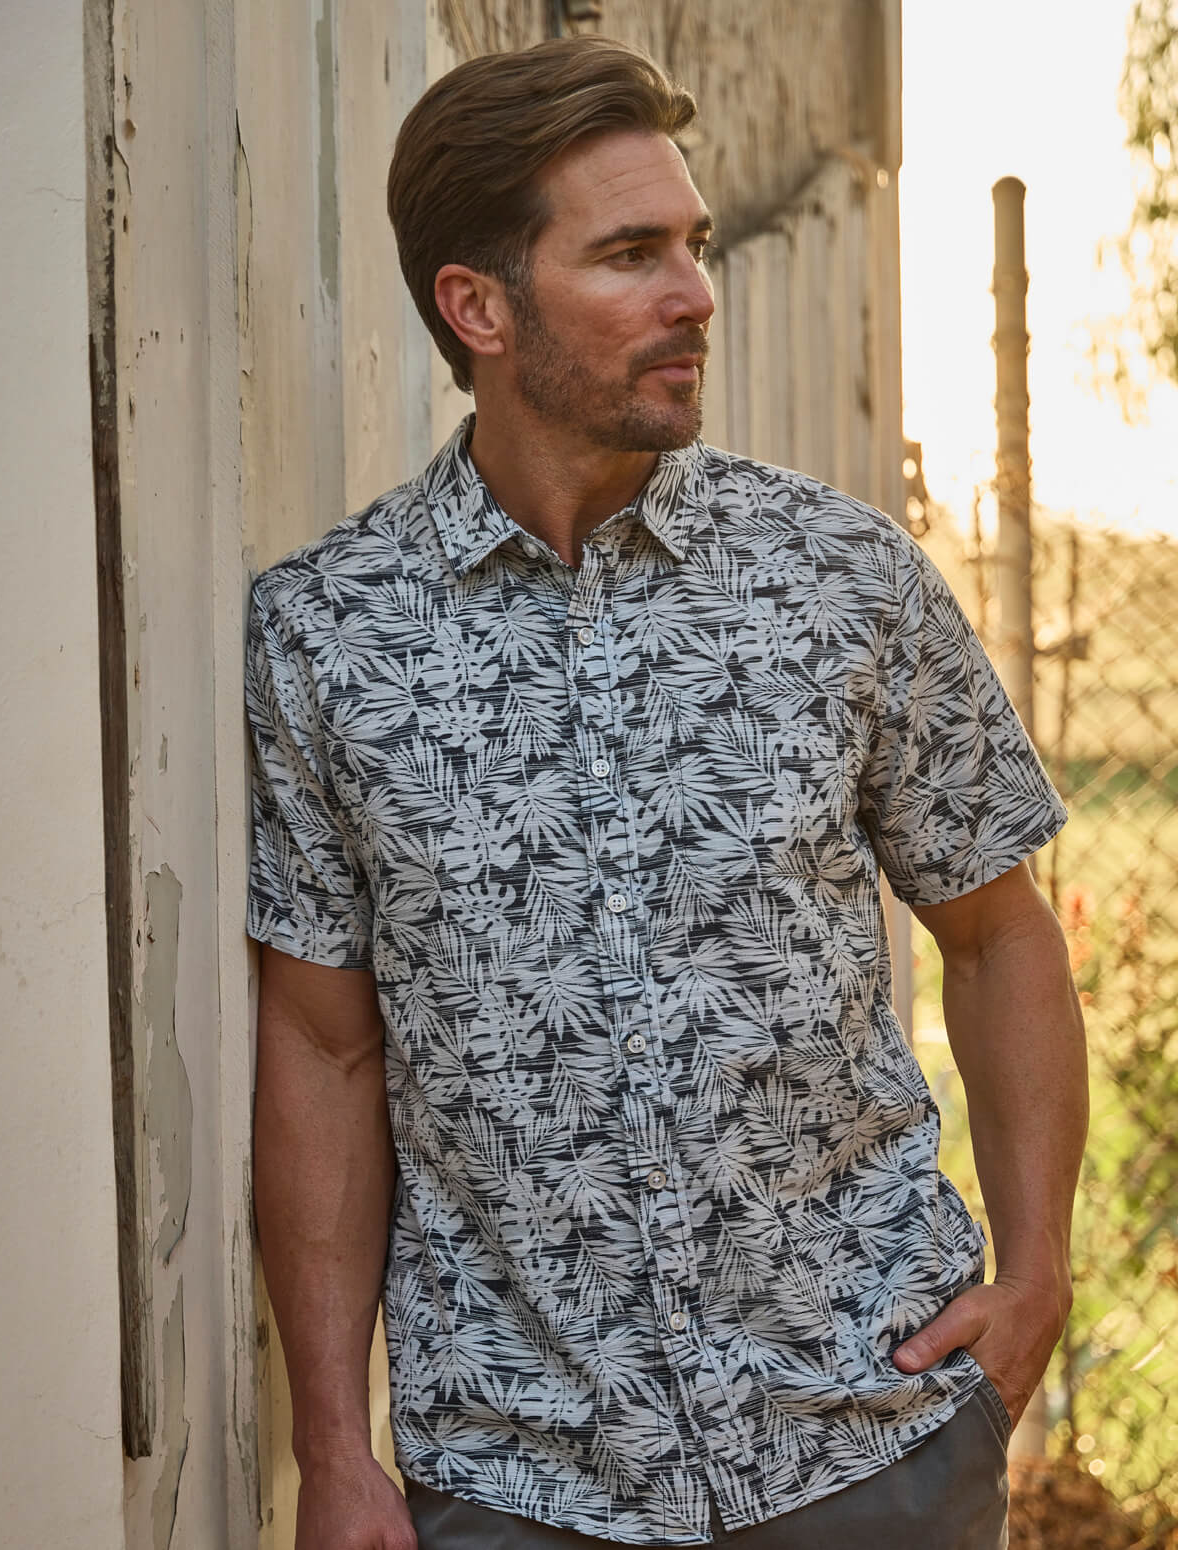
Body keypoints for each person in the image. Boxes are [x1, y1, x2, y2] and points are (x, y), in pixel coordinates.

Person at [246, 35, 1087, 1550]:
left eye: (691, 244)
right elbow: (322, 1049)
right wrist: (334, 1445)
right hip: (513, 1485)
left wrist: (1032, 1285)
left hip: (866, 1443)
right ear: (479, 307)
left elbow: (1000, 932)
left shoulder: (841, 579)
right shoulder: (328, 635)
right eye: (631, 252)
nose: (696, 291)